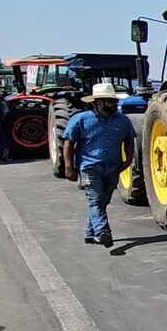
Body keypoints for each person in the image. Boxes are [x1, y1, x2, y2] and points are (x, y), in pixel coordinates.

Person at [62, 83, 134, 247]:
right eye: (110, 102)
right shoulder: (80, 119)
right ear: (98, 102)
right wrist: (68, 167)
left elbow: (129, 141)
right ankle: (103, 231)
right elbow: (68, 143)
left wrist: (128, 161)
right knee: (95, 200)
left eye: (115, 101)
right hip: (89, 167)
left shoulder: (123, 120)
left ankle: (90, 233)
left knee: (102, 201)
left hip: (113, 168)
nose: (115, 105)